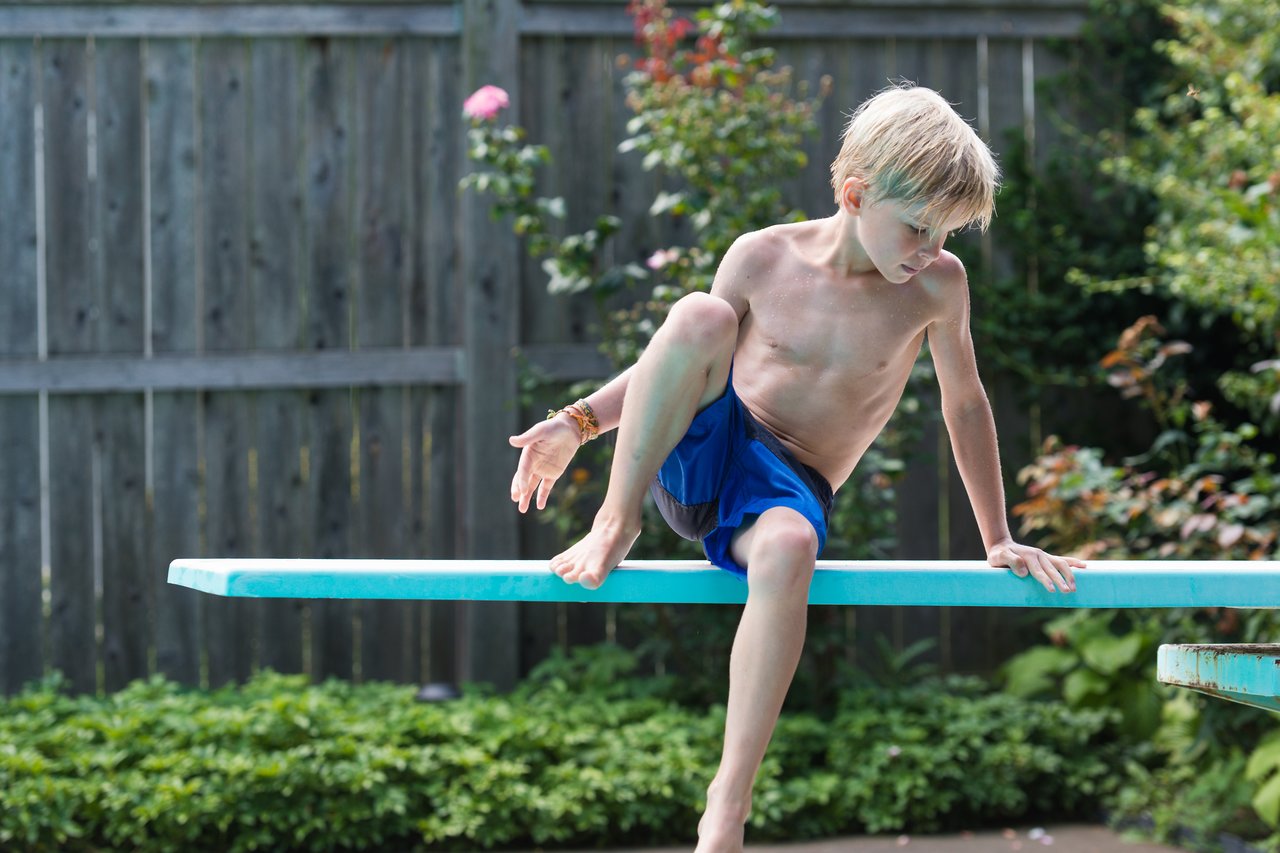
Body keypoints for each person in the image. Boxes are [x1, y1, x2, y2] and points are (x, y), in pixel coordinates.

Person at [507, 84, 1086, 853]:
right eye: (917, 228)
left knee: (790, 548)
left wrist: (998, 536)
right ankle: (616, 520)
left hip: (788, 486)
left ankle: (728, 800)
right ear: (855, 193)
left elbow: (966, 403)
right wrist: (579, 423)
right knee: (697, 314)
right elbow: (677, 367)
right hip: (705, 450)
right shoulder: (762, 256)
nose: (928, 251)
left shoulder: (937, 288)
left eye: (944, 235)